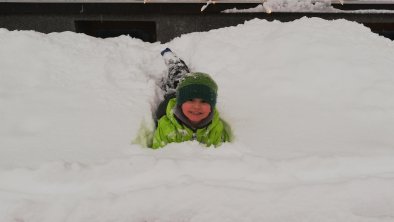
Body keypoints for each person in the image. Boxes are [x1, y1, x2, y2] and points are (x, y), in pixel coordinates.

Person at [151, 48, 231, 149]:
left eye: (204, 101)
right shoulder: (166, 128)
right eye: (191, 100)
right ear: (180, 103)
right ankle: (174, 62)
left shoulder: (216, 129)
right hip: (172, 97)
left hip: (182, 94)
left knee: (181, 82)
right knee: (176, 79)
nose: (197, 106)